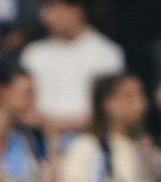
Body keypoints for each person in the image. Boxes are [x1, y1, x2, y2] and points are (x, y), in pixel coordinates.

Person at [19, 0, 127, 137]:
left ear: (76, 10)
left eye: (52, 8)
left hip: (93, 138)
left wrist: (57, 124)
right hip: (39, 140)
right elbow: (26, 111)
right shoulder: (32, 54)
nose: (44, 17)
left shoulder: (108, 54)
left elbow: (108, 111)